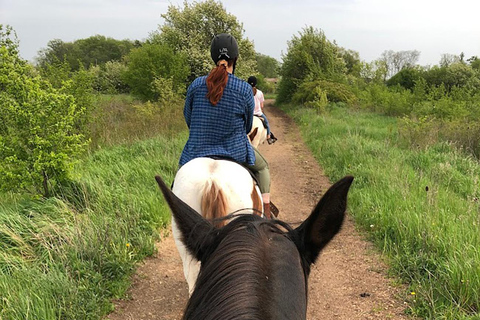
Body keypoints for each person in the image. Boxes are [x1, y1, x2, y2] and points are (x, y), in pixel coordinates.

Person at [179, 33, 278, 218]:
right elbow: (248, 125)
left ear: (213, 57)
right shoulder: (243, 89)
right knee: (263, 167)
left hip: (197, 150)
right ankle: (266, 214)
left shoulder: (195, 85)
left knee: (178, 183)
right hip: (235, 150)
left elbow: (189, 119)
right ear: (235, 58)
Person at [247, 76, 277, 144]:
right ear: (256, 84)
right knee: (266, 123)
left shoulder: (245, 92)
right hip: (258, 113)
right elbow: (262, 106)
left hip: (248, 114)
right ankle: (269, 137)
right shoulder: (260, 93)